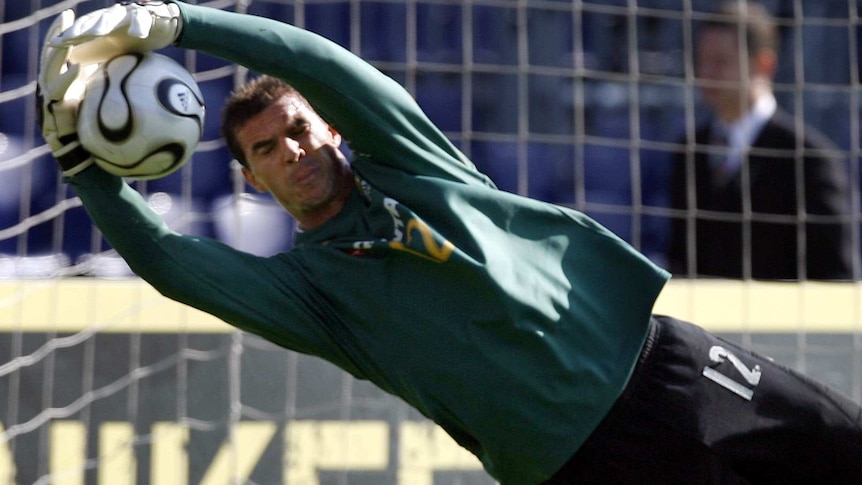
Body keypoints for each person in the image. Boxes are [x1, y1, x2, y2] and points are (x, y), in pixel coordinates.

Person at [39, 2, 862, 483]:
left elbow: (315, 56)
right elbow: (167, 260)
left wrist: (178, 20)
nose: (290, 150)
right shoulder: (312, 294)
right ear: (252, 181)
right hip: (583, 466)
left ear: (332, 128)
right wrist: (79, 158)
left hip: (669, 367)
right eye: (265, 150)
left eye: (296, 128)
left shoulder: (412, 163)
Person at [668, 1, 854, 281]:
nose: (706, 74)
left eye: (720, 62)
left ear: (763, 64)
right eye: (702, 61)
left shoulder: (809, 159)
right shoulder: (690, 149)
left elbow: (837, 275)